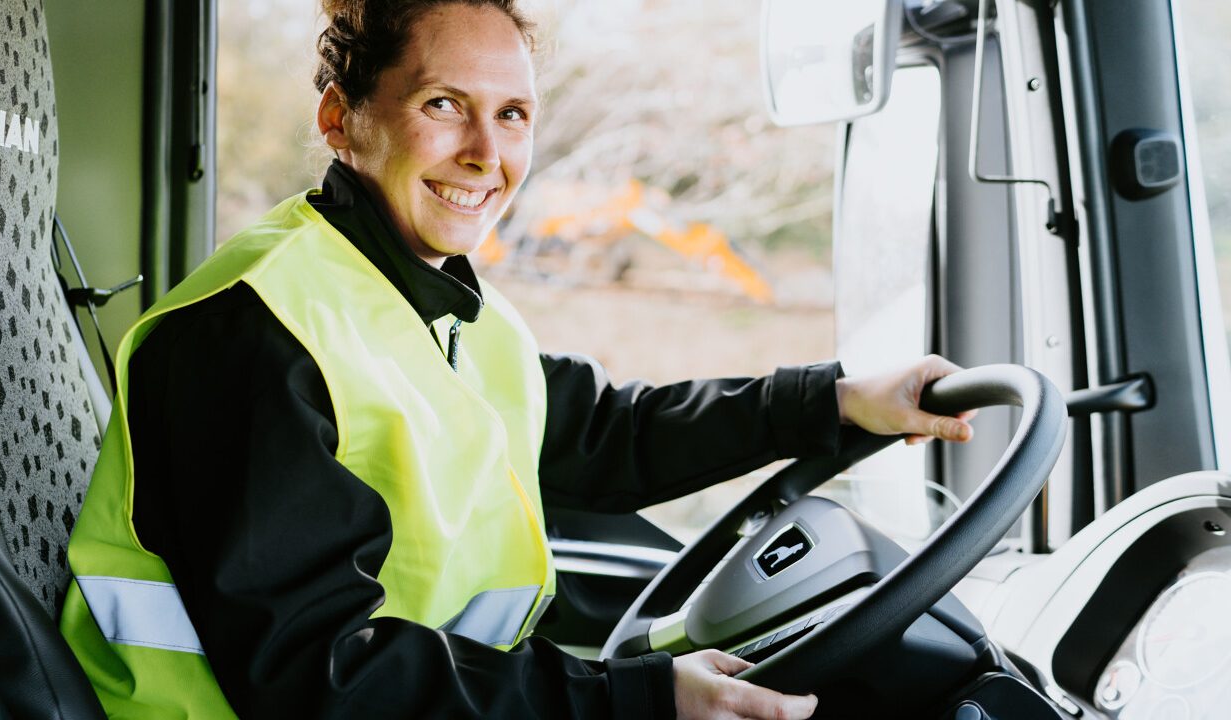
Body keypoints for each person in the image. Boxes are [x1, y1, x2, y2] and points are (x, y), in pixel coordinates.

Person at [59, 1, 975, 718]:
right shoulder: (248, 332)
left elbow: (608, 435)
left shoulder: (451, 308)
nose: (487, 153)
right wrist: (629, 702)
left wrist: (837, 403)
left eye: (514, 114)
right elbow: (320, 676)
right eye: (443, 105)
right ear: (342, 120)